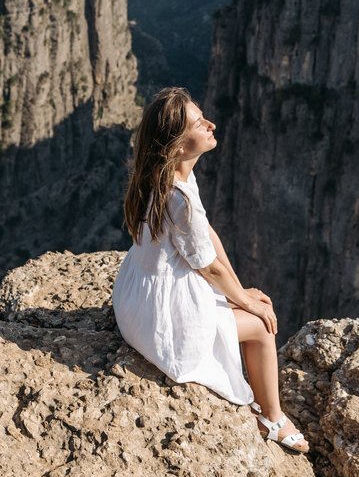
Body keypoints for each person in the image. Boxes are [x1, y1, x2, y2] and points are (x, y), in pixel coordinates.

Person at [111, 87, 308, 452]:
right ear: (180, 146)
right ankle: (273, 418)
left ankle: (268, 410)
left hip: (134, 303)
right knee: (264, 327)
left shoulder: (164, 175)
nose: (211, 125)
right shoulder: (179, 198)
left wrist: (239, 289)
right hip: (161, 324)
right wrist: (248, 304)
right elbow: (207, 268)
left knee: (241, 304)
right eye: (200, 124)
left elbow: (207, 239)